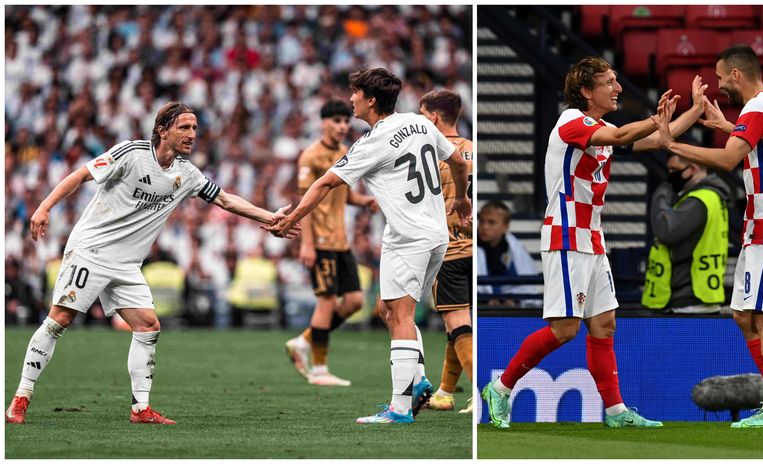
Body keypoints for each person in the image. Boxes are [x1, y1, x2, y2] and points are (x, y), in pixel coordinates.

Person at [5, 102, 300, 425]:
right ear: (162, 130)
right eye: (184, 128)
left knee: (148, 326)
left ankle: (140, 409)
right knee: (59, 319)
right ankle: (21, 397)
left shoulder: (186, 173)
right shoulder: (131, 153)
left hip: (127, 263)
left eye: (195, 129)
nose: (192, 135)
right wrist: (44, 207)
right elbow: (80, 175)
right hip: (92, 250)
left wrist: (270, 217)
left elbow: (225, 200)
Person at [482, 56, 707, 429]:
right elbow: (623, 136)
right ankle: (501, 389)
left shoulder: (597, 128)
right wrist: (655, 116)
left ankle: (617, 412)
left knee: (604, 325)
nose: (618, 88)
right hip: (566, 234)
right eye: (610, 82)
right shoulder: (571, 123)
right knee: (565, 329)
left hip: (592, 236)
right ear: (587, 91)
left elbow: (655, 140)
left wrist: (695, 109)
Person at [267, 68, 472, 424]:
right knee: (388, 310)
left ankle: (400, 407)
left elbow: (324, 185)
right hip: (435, 234)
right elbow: (456, 160)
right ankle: (419, 381)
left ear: (371, 99)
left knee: (402, 314)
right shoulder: (420, 123)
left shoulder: (371, 143)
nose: (351, 99)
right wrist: (463, 200)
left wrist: (291, 218)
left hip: (409, 237)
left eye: (356, 93)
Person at [655, 45, 763, 428]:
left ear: (737, 74)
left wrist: (671, 143)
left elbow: (727, 160)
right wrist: (727, 127)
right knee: (744, 315)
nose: (720, 87)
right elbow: (761, 145)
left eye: (721, 79)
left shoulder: (759, 108)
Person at [283, 99, 379, 387]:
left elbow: (344, 195)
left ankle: (303, 341)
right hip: (321, 241)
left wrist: (364, 201)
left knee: (354, 301)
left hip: (341, 240)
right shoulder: (309, 157)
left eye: (345, 121)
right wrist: (307, 244)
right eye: (336, 121)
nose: (342, 126)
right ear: (323, 122)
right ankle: (320, 369)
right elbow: (305, 203)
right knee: (326, 302)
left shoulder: (342, 152)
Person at [417, 89, 474, 414]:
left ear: (434, 118)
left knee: (457, 323)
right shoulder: (472, 149)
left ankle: (482, 394)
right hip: (472, 248)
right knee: (458, 323)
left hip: (448, 250)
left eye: (423, 116)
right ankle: (444, 393)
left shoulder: (431, 153)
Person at [642, 153, 731, 314]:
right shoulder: (710, 197)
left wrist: (661, 194)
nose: (670, 174)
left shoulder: (699, 200)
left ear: (693, 169)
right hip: (698, 296)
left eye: (674, 169)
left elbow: (666, 231)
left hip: (687, 300)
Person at [477, 200, 540, 304]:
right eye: (481, 221)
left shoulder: (515, 248)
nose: (484, 227)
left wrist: (514, 299)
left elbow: (526, 285)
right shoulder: (472, 245)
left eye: (491, 222)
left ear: (505, 226)